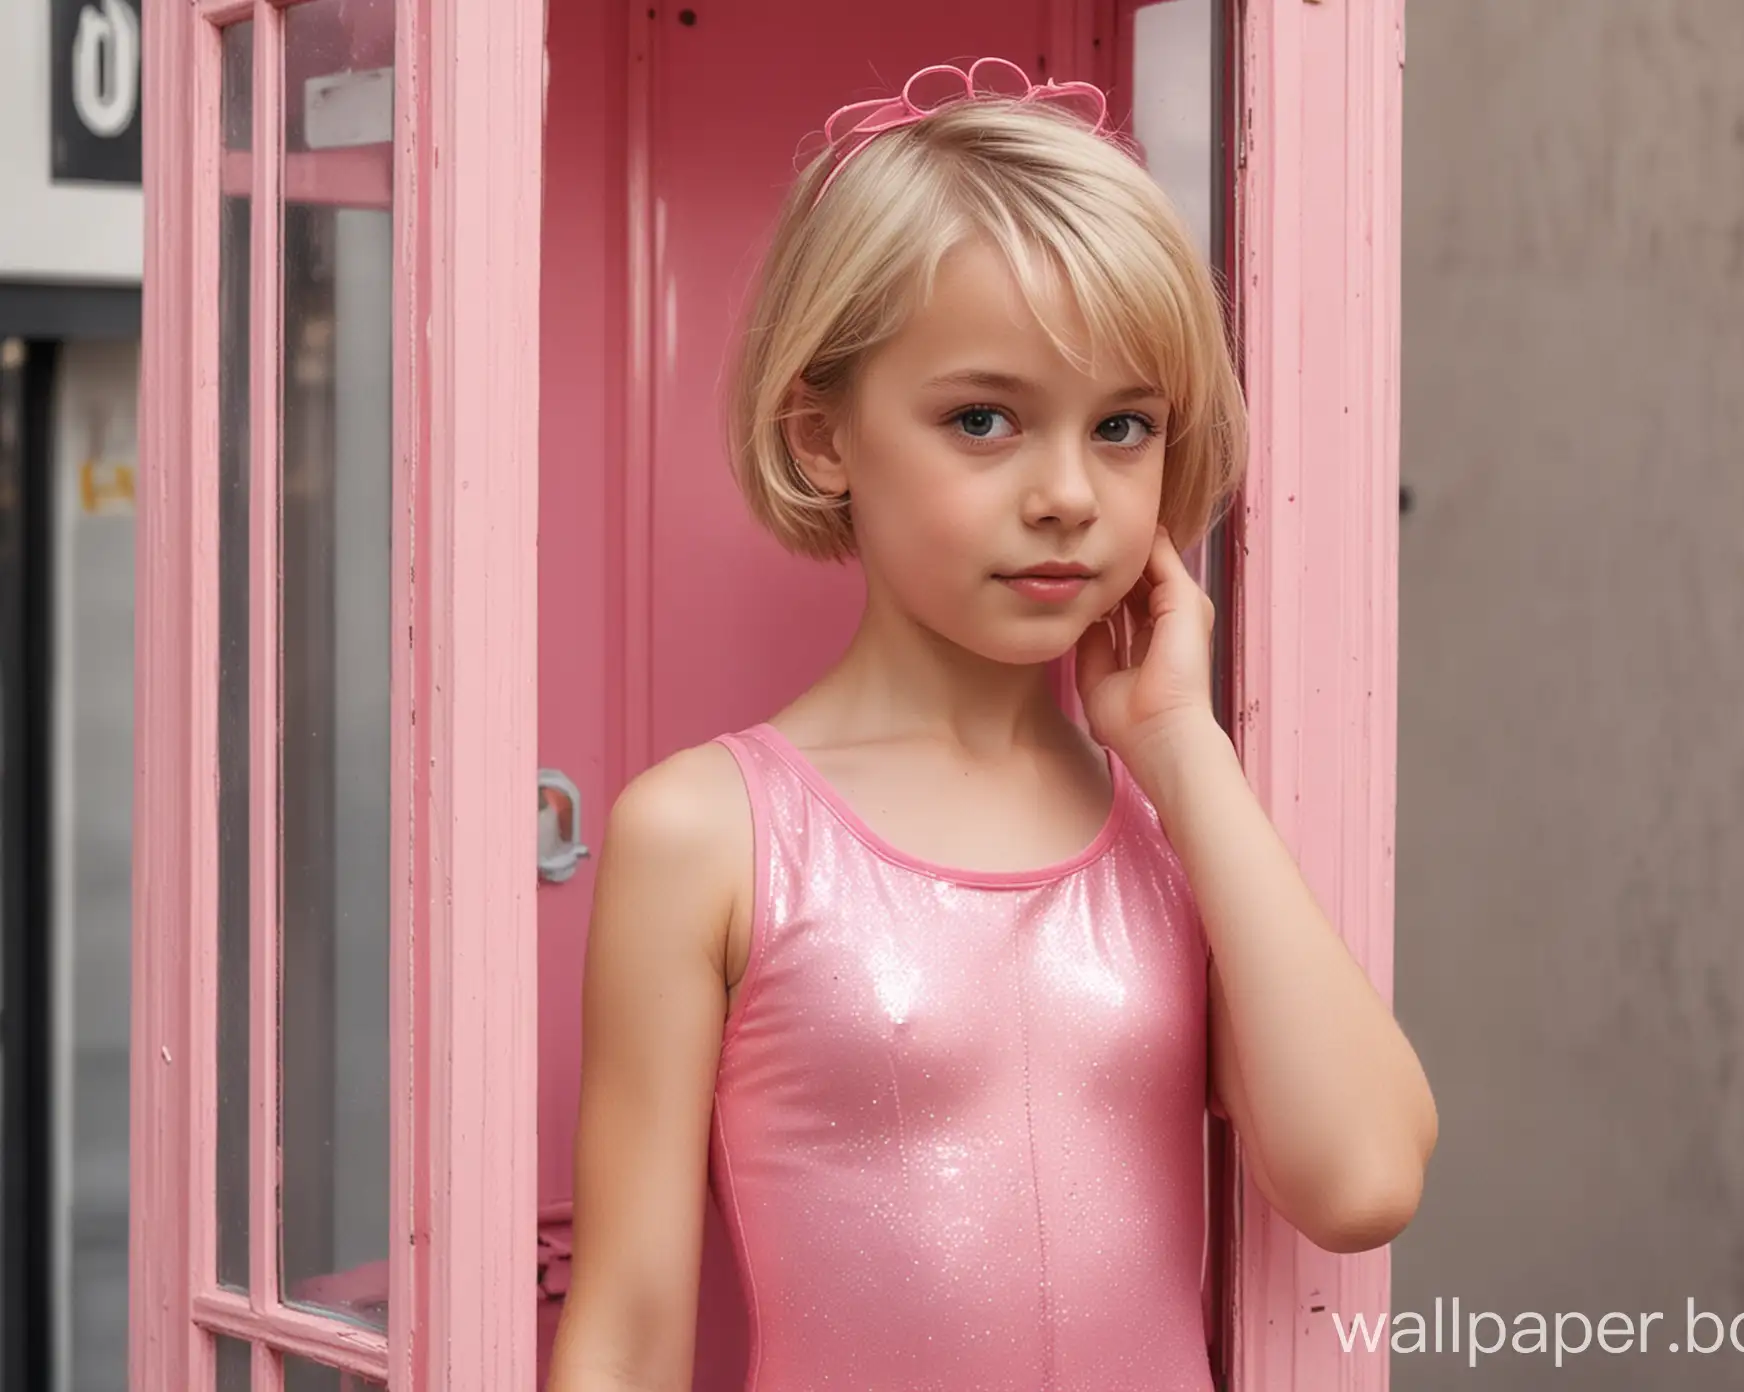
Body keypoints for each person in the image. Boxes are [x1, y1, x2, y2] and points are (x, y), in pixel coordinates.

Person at [547, 57, 1437, 1392]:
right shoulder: (709, 833)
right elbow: (626, 1328)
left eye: (1123, 426)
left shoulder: (1175, 818)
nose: (1070, 494)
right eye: (984, 420)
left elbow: (1362, 1179)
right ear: (824, 433)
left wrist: (1183, 747)